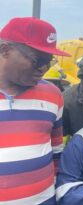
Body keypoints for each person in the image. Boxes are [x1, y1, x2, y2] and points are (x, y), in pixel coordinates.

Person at [0, 17, 69, 204]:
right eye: (38, 60)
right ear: (5, 50)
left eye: (49, 61)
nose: (43, 69)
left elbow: (56, 152)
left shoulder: (53, 95)